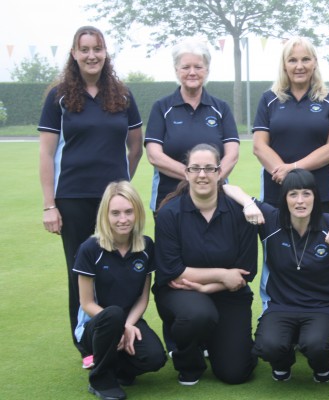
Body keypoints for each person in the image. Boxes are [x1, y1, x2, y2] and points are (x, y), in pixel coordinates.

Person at [38, 25, 143, 365]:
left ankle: (121, 335)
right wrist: (49, 205)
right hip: (73, 199)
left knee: (117, 270)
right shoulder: (60, 97)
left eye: (97, 48)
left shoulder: (123, 95)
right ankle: (88, 345)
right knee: (81, 271)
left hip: (114, 203)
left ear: (105, 52)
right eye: (84, 49)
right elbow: (45, 154)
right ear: (74, 53)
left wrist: (121, 187)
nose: (91, 55)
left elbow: (136, 146)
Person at [223, 169, 329, 383]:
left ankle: (322, 366)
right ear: (284, 198)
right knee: (268, 346)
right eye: (293, 194)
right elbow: (227, 187)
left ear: (316, 196)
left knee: (316, 346)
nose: (300, 201)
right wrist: (249, 204)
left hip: (323, 307)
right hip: (279, 306)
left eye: (307, 194)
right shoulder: (271, 221)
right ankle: (282, 363)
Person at [153, 143, 258, 386]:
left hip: (230, 294)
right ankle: (188, 360)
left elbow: (244, 272)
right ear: (186, 173)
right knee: (198, 314)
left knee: (235, 374)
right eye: (196, 168)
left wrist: (209, 287)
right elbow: (173, 272)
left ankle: (218, 341)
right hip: (181, 293)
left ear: (220, 172)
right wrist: (222, 274)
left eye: (209, 168)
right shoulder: (169, 214)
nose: (202, 175)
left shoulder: (239, 212)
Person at [73, 181, 166, 400]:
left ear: (137, 213)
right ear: (105, 215)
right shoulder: (90, 248)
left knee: (155, 359)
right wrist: (118, 324)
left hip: (128, 319)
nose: (122, 219)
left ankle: (119, 368)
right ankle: (101, 380)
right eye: (115, 213)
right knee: (113, 313)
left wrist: (127, 326)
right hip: (95, 325)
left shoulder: (146, 246)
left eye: (128, 212)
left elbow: (143, 298)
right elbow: (86, 303)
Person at [145, 38, 239, 213]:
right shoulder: (161, 107)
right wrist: (196, 176)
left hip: (214, 201)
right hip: (169, 200)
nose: (192, 72)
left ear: (207, 69)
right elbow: (154, 156)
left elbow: (232, 155)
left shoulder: (221, 108)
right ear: (176, 70)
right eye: (186, 67)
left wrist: (208, 181)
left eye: (198, 67)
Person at [252, 37, 329, 213]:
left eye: (306, 59)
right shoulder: (268, 99)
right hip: (276, 192)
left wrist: (293, 169)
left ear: (315, 63)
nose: (299, 66)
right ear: (284, 65)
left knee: (317, 241)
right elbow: (259, 146)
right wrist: (285, 176)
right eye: (293, 60)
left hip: (319, 193)